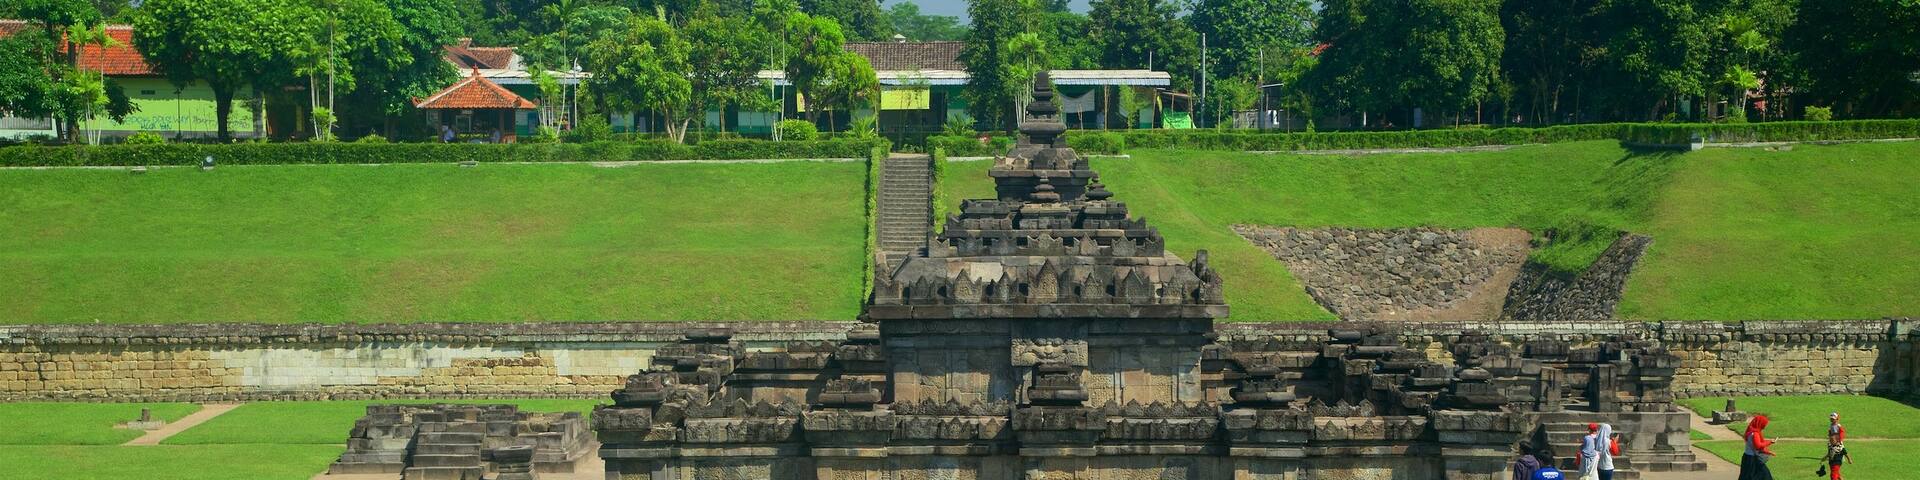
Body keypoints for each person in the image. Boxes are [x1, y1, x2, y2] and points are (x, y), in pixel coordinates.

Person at [1738, 414, 1775, 480]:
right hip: (1752, 460)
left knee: (1746, 476)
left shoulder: (1750, 431)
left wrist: (1768, 447)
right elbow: (1758, 446)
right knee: (1765, 475)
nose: (1764, 426)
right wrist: (1769, 442)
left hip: (1747, 458)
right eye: (1764, 424)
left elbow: (1756, 444)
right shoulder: (1755, 433)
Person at [1824, 412, 1852, 480]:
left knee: (1839, 450)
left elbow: (1842, 432)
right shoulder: (1831, 425)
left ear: (1837, 419)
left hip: (1837, 441)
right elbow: (1830, 432)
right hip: (1833, 441)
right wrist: (1829, 436)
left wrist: (1839, 440)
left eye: (1833, 419)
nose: (1832, 420)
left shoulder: (1838, 426)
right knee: (1836, 472)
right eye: (1831, 419)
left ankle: (1839, 458)